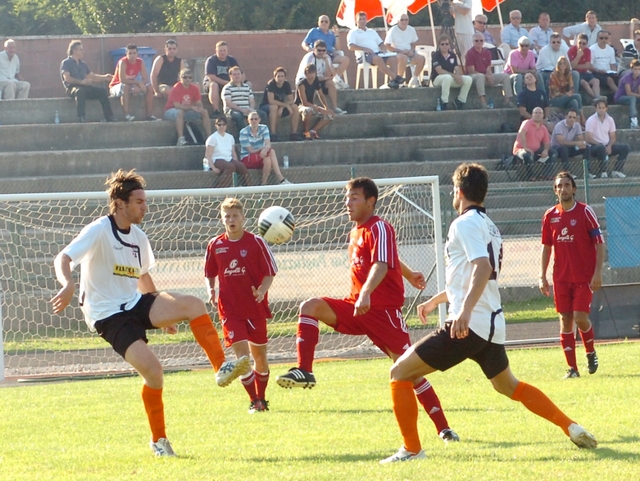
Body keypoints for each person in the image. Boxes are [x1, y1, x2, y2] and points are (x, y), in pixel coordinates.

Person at [384, 163, 597, 463]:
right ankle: (571, 426)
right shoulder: (490, 226)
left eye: (453, 190)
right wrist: (437, 301)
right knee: (508, 385)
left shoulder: (464, 223)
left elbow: (482, 268)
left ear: (458, 191)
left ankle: (412, 449)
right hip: (491, 324)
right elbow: (477, 275)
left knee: (399, 372)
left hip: (469, 324)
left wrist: (464, 312)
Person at [50, 169, 250, 457]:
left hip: (134, 303)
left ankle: (221, 369)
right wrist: (68, 283)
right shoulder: (99, 229)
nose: (145, 207)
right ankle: (159, 441)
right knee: (154, 373)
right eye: (139, 202)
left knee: (193, 304)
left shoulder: (139, 237)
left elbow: (143, 278)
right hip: (107, 315)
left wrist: (161, 311)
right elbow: (64, 257)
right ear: (120, 204)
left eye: (145, 201)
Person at [276, 177, 459, 446]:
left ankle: (444, 429)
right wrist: (408, 275)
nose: (347, 203)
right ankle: (304, 370)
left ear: (370, 201)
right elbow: (389, 257)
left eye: (354, 198)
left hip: (382, 312)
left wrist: (366, 292)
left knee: (409, 371)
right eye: (347, 198)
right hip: (357, 307)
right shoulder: (356, 231)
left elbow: (382, 263)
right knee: (310, 307)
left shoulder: (380, 227)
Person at [205, 197, 278, 414]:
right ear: (222, 219)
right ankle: (254, 401)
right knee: (242, 359)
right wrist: (211, 289)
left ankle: (263, 399)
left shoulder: (256, 242)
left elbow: (270, 272)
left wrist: (262, 290)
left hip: (254, 307)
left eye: (235, 215)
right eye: (227, 216)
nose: (231, 219)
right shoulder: (215, 245)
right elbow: (209, 273)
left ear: (243, 218)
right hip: (229, 309)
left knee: (260, 357)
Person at [540, 172, 605, 379]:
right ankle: (572, 369)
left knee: (580, 318)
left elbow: (599, 244)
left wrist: (597, 273)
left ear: (574, 189)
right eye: (559, 186)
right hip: (561, 278)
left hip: (584, 277)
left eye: (567, 185)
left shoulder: (585, 212)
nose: (563, 189)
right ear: (555, 190)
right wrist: (542, 276)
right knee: (565, 320)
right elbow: (546, 248)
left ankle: (590, 351)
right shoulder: (550, 215)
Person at [60, 39, 115, 123]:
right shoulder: (66, 63)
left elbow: (92, 76)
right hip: (72, 88)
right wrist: (81, 82)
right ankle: (81, 117)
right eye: (81, 49)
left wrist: (105, 77)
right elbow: (67, 78)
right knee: (80, 91)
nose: (83, 52)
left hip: (85, 87)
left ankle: (109, 117)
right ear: (74, 50)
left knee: (102, 91)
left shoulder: (83, 64)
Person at [347, 11, 405, 89]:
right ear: (356, 20)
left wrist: (383, 48)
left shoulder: (372, 31)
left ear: (366, 20)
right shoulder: (353, 32)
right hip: (365, 56)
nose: (362, 21)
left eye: (364, 19)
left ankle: (393, 82)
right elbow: (351, 46)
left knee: (393, 59)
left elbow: (380, 43)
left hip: (378, 53)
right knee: (377, 58)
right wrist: (364, 49)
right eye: (360, 19)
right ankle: (396, 77)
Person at [238, 112, 291, 185]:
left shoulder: (264, 128)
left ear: (259, 120)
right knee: (271, 151)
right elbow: (251, 151)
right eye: (251, 119)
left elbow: (268, 144)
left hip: (260, 156)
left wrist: (265, 149)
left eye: (256, 119)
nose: (254, 121)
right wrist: (262, 149)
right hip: (247, 158)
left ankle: (264, 184)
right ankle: (281, 178)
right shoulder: (243, 132)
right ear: (248, 120)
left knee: (268, 160)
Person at [295, 41, 346, 115]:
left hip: (319, 80)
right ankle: (313, 109)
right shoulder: (309, 57)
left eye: (323, 50)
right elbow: (310, 76)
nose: (321, 52)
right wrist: (325, 78)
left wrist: (326, 62)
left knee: (330, 83)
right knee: (314, 84)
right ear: (314, 49)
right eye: (319, 50)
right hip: (305, 81)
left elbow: (330, 75)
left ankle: (335, 108)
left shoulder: (327, 57)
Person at [164, 68, 212, 146]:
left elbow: (199, 103)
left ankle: (209, 138)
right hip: (171, 111)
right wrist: (191, 107)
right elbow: (177, 106)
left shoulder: (194, 88)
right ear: (180, 78)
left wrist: (199, 108)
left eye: (190, 77)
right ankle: (180, 139)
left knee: (204, 112)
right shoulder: (176, 88)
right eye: (185, 77)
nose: (187, 79)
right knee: (180, 112)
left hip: (186, 111)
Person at [108, 44, 156, 122]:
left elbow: (145, 79)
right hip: (116, 86)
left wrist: (139, 86)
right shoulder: (122, 62)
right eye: (130, 53)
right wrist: (138, 83)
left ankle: (149, 115)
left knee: (149, 87)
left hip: (132, 84)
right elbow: (122, 80)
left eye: (134, 53)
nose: (132, 55)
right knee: (126, 86)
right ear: (126, 54)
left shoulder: (140, 62)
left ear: (137, 54)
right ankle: (127, 115)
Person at [585, 97, 630, 178]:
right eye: (599, 108)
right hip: (594, 147)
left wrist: (609, 146)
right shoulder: (591, 120)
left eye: (603, 108)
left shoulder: (610, 120)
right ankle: (603, 172)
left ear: (606, 108)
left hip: (606, 145)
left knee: (625, 147)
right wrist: (601, 144)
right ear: (596, 108)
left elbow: (613, 137)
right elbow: (588, 138)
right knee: (601, 147)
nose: (601, 110)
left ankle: (617, 170)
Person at [466, 33, 513, 109]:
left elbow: (488, 67)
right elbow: (471, 70)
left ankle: (507, 101)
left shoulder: (487, 52)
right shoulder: (470, 53)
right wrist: (486, 76)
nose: (479, 42)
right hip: (474, 77)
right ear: (473, 42)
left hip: (485, 76)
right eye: (476, 41)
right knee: (480, 76)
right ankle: (483, 102)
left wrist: (490, 76)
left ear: (484, 41)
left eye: (481, 40)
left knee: (505, 76)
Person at [301, 14, 350, 89]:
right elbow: (304, 43)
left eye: (326, 21)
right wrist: (308, 49)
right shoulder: (313, 31)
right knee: (328, 59)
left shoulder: (331, 34)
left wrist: (336, 35)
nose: (324, 23)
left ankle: (336, 80)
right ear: (318, 23)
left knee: (345, 59)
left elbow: (338, 48)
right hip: (317, 54)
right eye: (322, 21)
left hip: (329, 54)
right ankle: (337, 80)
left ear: (329, 23)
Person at [203, 116, 251, 187]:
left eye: (223, 124)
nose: (222, 126)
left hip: (228, 159)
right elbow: (208, 155)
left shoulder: (230, 137)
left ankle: (248, 187)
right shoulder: (212, 138)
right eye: (219, 124)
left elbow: (233, 152)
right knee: (230, 167)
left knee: (241, 166)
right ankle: (220, 189)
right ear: (216, 126)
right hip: (216, 160)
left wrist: (236, 162)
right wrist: (213, 168)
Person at [259, 67, 302, 142]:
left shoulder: (286, 84)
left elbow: (291, 99)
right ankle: (273, 134)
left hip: (280, 107)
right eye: (278, 76)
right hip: (266, 107)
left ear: (285, 77)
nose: (280, 78)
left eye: (282, 76)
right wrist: (285, 105)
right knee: (274, 107)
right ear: (275, 77)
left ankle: (294, 134)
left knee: (295, 107)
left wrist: (282, 107)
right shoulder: (271, 84)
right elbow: (271, 101)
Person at [513, 107, 556, 180]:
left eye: (540, 113)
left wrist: (545, 150)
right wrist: (525, 147)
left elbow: (547, 143)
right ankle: (531, 176)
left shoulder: (543, 128)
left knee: (553, 152)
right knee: (526, 155)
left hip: (536, 152)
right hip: (521, 149)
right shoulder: (527, 123)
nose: (538, 115)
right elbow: (522, 133)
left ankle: (545, 174)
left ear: (543, 116)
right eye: (536, 113)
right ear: (532, 115)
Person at [431, 34, 472, 110]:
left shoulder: (452, 55)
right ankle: (444, 102)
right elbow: (439, 70)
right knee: (447, 77)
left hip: (449, 78)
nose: (445, 46)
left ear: (450, 45)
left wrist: (458, 76)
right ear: (439, 45)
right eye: (442, 44)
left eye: (447, 44)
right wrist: (454, 75)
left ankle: (460, 101)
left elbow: (456, 68)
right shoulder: (436, 55)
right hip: (437, 79)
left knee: (468, 79)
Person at [384, 13, 425, 88]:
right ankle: (398, 80)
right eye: (402, 20)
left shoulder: (411, 29)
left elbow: (413, 43)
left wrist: (412, 51)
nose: (404, 22)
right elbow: (387, 45)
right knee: (403, 58)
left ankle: (414, 79)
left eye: (406, 20)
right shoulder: (393, 30)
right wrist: (400, 51)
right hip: (395, 54)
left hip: (409, 53)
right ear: (398, 21)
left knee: (421, 59)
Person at [295, 64, 334, 140]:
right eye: (309, 73)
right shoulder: (301, 84)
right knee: (308, 111)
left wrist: (326, 108)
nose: (312, 75)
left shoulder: (316, 81)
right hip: (300, 106)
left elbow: (321, 95)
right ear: (306, 74)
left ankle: (313, 131)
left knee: (330, 114)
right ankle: (305, 132)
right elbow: (304, 102)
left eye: (313, 73)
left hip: (311, 105)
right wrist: (319, 109)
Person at [222, 66, 267, 131]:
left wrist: (251, 109)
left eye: (238, 74)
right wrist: (241, 110)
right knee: (238, 116)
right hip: (233, 110)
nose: (237, 76)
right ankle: (243, 135)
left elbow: (252, 100)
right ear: (230, 76)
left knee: (263, 114)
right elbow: (228, 103)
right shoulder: (227, 88)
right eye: (234, 74)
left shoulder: (247, 87)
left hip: (246, 109)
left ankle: (261, 133)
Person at [204, 41, 240, 116]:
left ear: (227, 51)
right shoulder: (211, 60)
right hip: (212, 83)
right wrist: (228, 83)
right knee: (214, 85)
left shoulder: (232, 60)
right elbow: (211, 77)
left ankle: (243, 108)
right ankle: (216, 110)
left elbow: (240, 73)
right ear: (216, 51)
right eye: (220, 51)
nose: (222, 53)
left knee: (248, 83)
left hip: (229, 83)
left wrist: (240, 82)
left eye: (224, 50)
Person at [550, 109, 591, 173]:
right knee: (564, 148)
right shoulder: (559, 125)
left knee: (586, 148)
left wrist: (582, 144)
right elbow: (561, 142)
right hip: (556, 148)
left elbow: (581, 139)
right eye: (570, 117)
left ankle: (587, 172)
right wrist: (577, 143)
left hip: (569, 148)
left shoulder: (577, 125)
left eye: (574, 117)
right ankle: (568, 172)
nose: (572, 119)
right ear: (566, 116)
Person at [548, 57, 584, 123]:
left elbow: (571, 87)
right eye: (560, 63)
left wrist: (570, 93)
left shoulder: (568, 75)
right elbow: (555, 92)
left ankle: (577, 123)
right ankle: (582, 117)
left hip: (566, 98)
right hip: (555, 99)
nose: (562, 65)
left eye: (564, 63)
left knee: (574, 102)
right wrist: (566, 95)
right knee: (577, 96)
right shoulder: (553, 75)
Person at [568, 34, 600, 98]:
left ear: (587, 44)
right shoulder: (571, 50)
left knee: (596, 81)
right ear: (577, 42)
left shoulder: (588, 51)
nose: (581, 45)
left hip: (585, 72)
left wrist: (576, 65)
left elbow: (587, 66)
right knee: (584, 83)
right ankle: (596, 98)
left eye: (584, 43)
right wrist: (578, 56)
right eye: (580, 43)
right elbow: (572, 67)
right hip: (575, 74)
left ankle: (597, 97)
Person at [613, 59, 640, 129]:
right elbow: (629, 93)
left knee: (634, 99)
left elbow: (638, 92)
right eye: (635, 69)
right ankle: (633, 121)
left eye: (639, 69)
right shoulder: (627, 77)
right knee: (632, 98)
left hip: (632, 97)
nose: (637, 71)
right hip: (620, 97)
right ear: (631, 69)